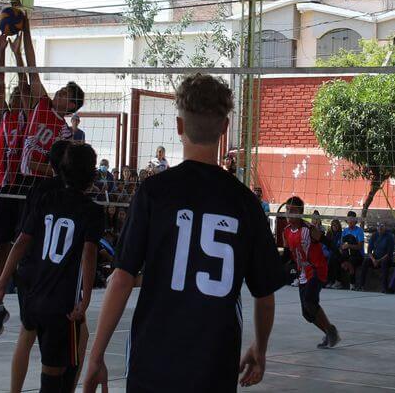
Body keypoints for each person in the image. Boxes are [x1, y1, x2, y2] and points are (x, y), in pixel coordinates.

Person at [84, 74, 286, 393]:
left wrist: (95, 357)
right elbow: (264, 296)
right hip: (214, 363)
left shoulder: (153, 192)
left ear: (179, 127)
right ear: (224, 128)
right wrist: (259, 349)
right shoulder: (246, 203)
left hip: (154, 359)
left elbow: (121, 278)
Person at [0, 142, 101, 393]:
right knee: (54, 372)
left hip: (34, 290)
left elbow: (21, 241)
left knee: (28, 338)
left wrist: (0, 282)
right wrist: (85, 300)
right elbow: (89, 254)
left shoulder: (46, 196)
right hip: (61, 301)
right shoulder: (91, 211)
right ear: (92, 174)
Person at [0, 24, 36, 335]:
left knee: (25, 249)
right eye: (17, 94)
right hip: (6, 188)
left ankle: (27, 302)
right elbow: (1, 83)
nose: (19, 94)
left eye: (23, 92)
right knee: (1, 247)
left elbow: (22, 79)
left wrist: (18, 53)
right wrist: (1, 52)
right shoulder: (3, 115)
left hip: (27, 188)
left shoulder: (31, 114)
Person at [20, 15, 84, 180]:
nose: (58, 93)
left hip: (42, 182)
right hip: (23, 177)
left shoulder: (65, 133)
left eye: (64, 94)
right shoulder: (42, 102)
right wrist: (26, 30)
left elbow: (61, 170)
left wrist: (37, 166)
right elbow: (32, 67)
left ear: (70, 106)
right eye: (60, 90)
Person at [283, 196, 341, 349]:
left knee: (310, 301)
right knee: (306, 314)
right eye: (287, 210)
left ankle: (330, 332)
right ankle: (329, 331)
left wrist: (343, 259)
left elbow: (329, 244)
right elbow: (287, 256)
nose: (289, 213)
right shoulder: (286, 231)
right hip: (303, 273)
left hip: (317, 269)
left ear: (300, 212)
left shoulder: (309, 230)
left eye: (293, 211)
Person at [356, 221, 395, 292]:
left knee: (384, 263)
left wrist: (378, 260)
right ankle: (361, 285)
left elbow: (389, 253)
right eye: (379, 227)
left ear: (385, 227)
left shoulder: (389, 237)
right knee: (365, 261)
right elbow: (369, 250)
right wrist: (373, 259)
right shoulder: (374, 235)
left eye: (382, 227)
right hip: (375, 258)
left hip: (385, 258)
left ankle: (384, 287)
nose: (380, 228)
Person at [340, 212, 365, 289]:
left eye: (352, 220)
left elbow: (360, 246)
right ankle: (337, 282)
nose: (350, 221)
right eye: (349, 219)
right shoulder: (345, 231)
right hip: (347, 253)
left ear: (355, 221)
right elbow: (341, 244)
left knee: (351, 261)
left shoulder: (359, 231)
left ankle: (352, 284)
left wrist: (349, 246)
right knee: (335, 258)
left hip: (358, 255)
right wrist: (342, 247)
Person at [324, 219, 345, 289]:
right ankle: (329, 281)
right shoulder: (329, 234)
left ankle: (337, 281)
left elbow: (340, 245)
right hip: (329, 252)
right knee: (329, 258)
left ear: (339, 226)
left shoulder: (340, 234)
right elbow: (325, 245)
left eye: (336, 225)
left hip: (337, 252)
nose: (334, 227)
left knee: (334, 259)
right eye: (333, 225)